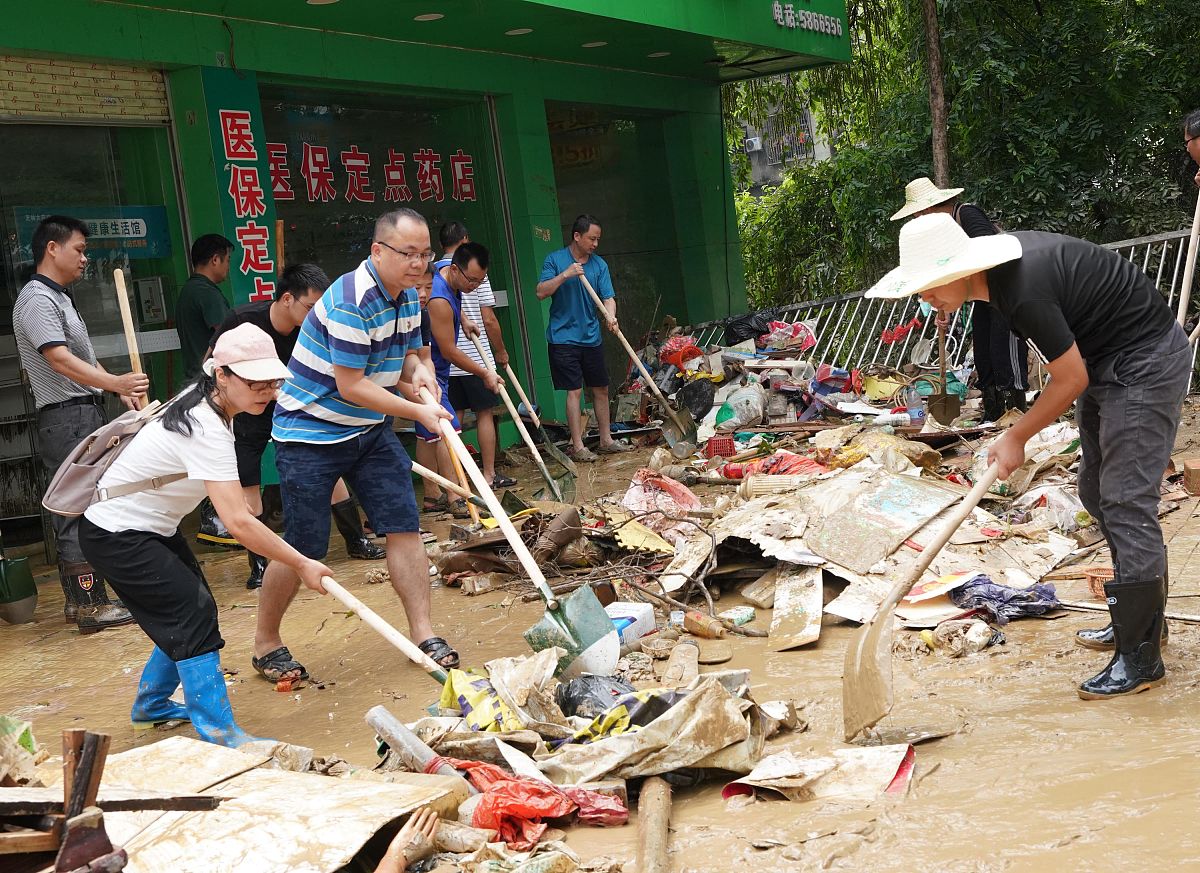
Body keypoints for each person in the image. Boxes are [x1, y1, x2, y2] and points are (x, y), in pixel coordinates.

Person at [867, 212, 1188, 700]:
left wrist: (1016, 436)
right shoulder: (1000, 283)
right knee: (1094, 491)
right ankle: (1142, 621)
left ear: (959, 269)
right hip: (1104, 357)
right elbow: (1076, 369)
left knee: (1125, 500)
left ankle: (1140, 656)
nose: (925, 298)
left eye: (929, 285)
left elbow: (1070, 379)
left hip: (1145, 360)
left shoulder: (1022, 290)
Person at [78, 323, 334, 746]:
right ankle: (219, 732)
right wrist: (301, 562)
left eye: (271, 382)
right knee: (191, 614)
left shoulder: (207, 404)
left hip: (149, 528)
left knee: (194, 610)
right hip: (118, 534)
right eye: (254, 383)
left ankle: (152, 706)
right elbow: (238, 522)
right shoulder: (204, 425)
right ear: (222, 375)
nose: (266, 392)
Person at [255, 208, 457, 683]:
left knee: (404, 525)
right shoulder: (351, 300)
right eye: (408, 253)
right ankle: (265, 641)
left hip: (367, 430)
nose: (418, 263)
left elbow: (410, 357)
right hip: (310, 433)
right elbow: (353, 385)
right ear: (378, 251)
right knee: (301, 546)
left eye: (424, 254)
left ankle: (423, 634)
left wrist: (420, 376)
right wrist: (419, 412)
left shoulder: (408, 297)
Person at [208, 264, 385, 591]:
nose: (316, 314)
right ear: (287, 298)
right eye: (310, 306)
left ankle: (356, 540)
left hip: (298, 410)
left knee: (329, 471)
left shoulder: (317, 327)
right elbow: (213, 364)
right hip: (247, 412)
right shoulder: (243, 320)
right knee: (249, 489)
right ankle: (259, 565)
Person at [13, 214, 145, 633]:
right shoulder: (37, 298)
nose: (85, 258)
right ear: (52, 248)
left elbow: (82, 359)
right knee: (76, 509)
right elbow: (59, 359)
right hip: (65, 417)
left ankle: (82, 602)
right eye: (80, 249)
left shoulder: (60, 297)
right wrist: (115, 382)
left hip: (81, 413)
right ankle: (89, 605)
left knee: (89, 504)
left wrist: (117, 388)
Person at [891, 177, 1029, 421]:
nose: (917, 219)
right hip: (981, 298)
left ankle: (1014, 411)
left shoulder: (966, 214)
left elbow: (989, 252)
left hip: (1003, 290)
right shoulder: (939, 233)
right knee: (983, 352)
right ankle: (993, 412)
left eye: (917, 215)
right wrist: (944, 309)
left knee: (1003, 350)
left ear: (927, 209)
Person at [535, 214, 632, 461]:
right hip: (563, 339)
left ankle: (606, 440)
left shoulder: (599, 265)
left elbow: (608, 297)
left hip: (591, 337)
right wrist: (565, 274)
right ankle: (578, 447)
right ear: (577, 236)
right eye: (591, 238)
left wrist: (611, 316)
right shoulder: (555, 260)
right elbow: (541, 292)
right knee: (574, 391)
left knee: (601, 388)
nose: (595, 244)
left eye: (598, 239)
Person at [420, 243, 502, 518]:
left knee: (427, 434)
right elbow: (449, 351)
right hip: (430, 370)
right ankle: (456, 497)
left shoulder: (445, 269)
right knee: (448, 430)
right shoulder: (438, 301)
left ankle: (432, 495)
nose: (474, 287)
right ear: (456, 269)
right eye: (471, 281)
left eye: (480, 281)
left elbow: (458, 294)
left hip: (436, 369)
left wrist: (464, 318)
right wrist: (484, 372)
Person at [438, 222, 515, 488]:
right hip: (474, 357)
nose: (474, 284)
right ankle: (488, 474)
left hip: (450, 364)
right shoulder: (474, 269)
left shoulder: (435, 273)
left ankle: (458, 481)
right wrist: (500, 351)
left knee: (454, 418)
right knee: (485, 413)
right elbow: (489, 319)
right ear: (465, 240)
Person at [176, 233, 238, 548]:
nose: (228, 267)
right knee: (219, 450)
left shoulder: (188, 291)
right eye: (226, 260)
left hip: (194, 381)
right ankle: (217, 520)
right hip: (210, 383)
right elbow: (225, 338)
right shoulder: (206, 293)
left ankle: (214, 520)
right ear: (215, 259)